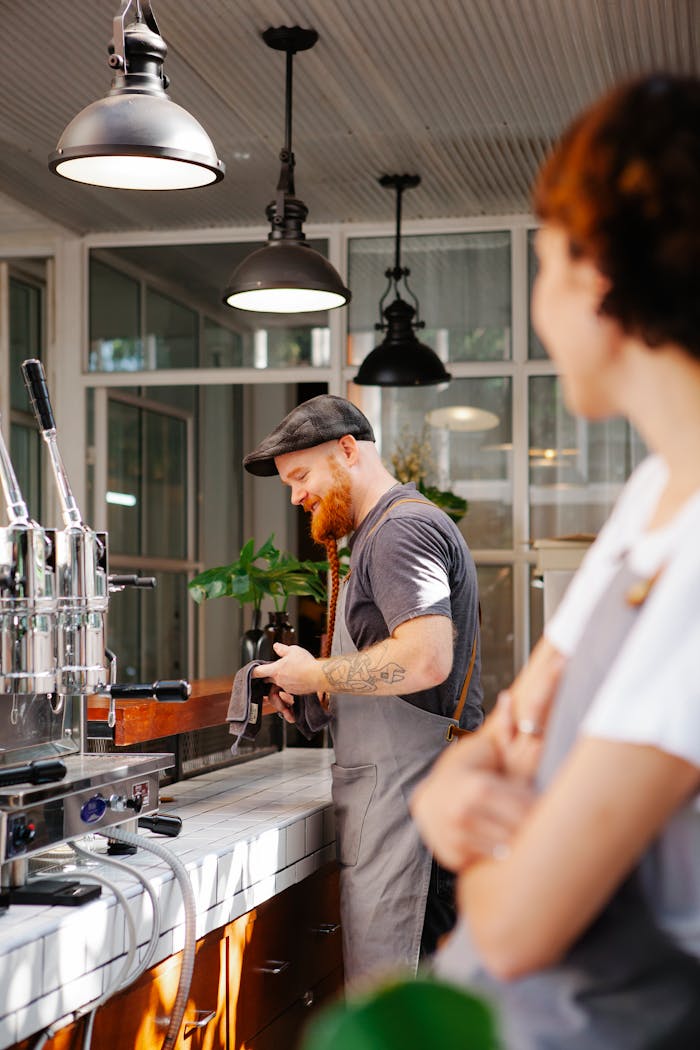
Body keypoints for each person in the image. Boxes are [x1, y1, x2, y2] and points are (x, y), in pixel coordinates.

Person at [410, 73, 700, 1048]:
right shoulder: (648, 497)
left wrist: (470, 819)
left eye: (541, 264)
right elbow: (499, 742)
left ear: (595, 270)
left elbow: (519, 924)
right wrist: (460, 789)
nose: (536, 304)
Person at [243, 394, 483, 985]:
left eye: (301, 477)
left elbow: (426, 660)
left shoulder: (400, 531)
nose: (297, 497)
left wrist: (317, 673)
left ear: (347, 451)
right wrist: (311, 697)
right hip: (398, 813)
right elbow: (400, 677)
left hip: (418, 826)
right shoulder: (379, 531)